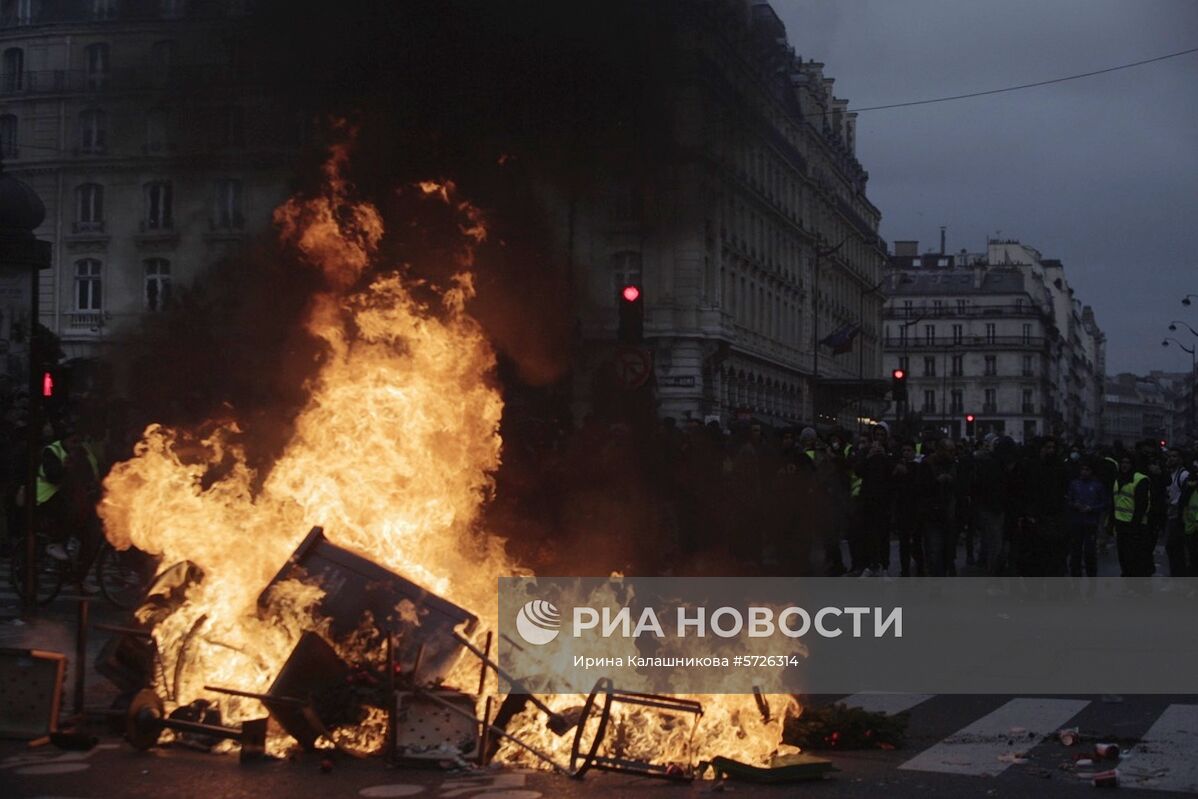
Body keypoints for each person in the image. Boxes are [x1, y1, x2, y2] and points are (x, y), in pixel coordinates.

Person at [1112, 454, 1153, 576]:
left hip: (1136, 526)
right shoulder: (1118, 479)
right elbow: (1113, 502)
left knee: (1134, 558)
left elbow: (1142, 506)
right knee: (1123, 557)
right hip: (1121, 524)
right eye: (1122, 462)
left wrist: (1135, 526)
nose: (1124, 465)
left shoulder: (1140, 480)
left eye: (1128, 462)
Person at [1065, 459, 1107, 577]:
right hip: (1076, 521)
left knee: (1090, 551)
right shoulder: (1074, 484)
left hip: (1090, 522)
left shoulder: (1097, 486)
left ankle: (1091, 574)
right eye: (1082, 469)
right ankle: (1075, 573)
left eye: (1087, 470)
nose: (1084, 472)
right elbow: (1068, 500)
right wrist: (1074, 505)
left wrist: (1092, 508)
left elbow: (1104, 503)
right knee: (1075, 551)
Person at [1163, 448, 1192, 577]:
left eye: (1174, 456)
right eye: (1170, 456)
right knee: (1172, 548)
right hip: (1170, 514)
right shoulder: (1169, 474)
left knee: (1176, 548)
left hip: (1178, 516)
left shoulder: (1183, 475)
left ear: (1180, 459)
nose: (1171, 459)